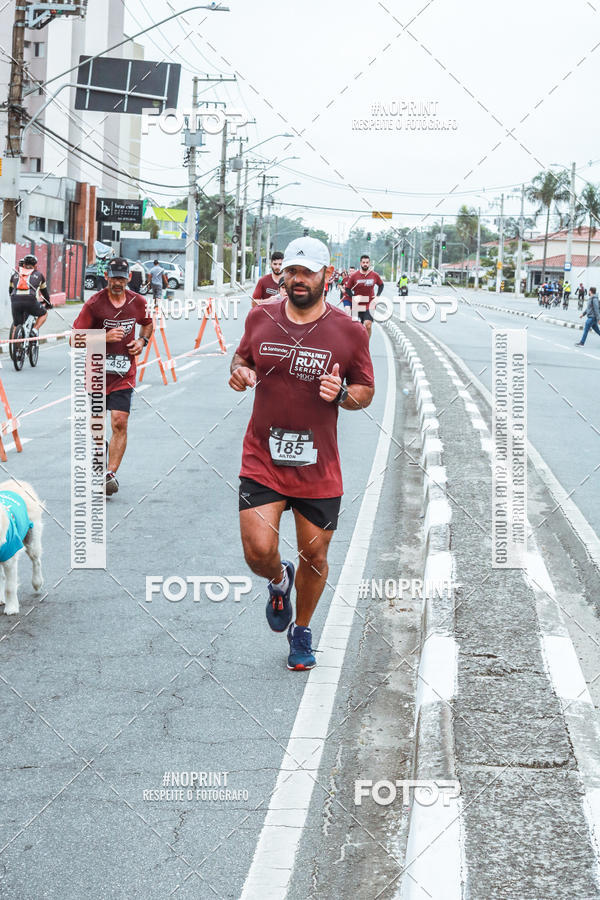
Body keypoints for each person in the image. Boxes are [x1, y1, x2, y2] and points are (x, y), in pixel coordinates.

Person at [229, 236, 375, 671]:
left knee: (315, 555)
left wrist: (343, 394)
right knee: (257, 550)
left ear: (326, 276)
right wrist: (239, 373)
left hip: (318, 465)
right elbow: (242, 360)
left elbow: (365, 391)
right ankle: (278, 579)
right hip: (263, 457)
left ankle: (303, 630)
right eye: (291, 271)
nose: (297, 279)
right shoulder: (261, 317)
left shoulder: (348, 331)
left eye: (307, 272)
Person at [72, 258, 153, 495]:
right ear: (106, 277)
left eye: (122, 278)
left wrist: (142, 341)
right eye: (114, 277)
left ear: (128, 278)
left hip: (123, 374)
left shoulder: (138, 302)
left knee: (119, 421)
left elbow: (148, 323)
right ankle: (101, 452)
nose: (118, 282)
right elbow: (73, 339)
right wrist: (103, 338)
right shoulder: (94, 304)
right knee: (97, 427)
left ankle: (109, 474)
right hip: (96, 373)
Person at [9, 254, 53, 335]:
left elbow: (10, 291)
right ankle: (34, 330)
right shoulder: (39, 275)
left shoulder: (14, 275)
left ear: (24, 265)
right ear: (36, 265)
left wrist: (14, 301)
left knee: (16, 326)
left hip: (15, 300)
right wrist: (48, 303)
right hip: (30, 300)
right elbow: (45, 293)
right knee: (44, 313)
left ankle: (13, 345)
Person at [344, 254, 384, 339]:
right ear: (360, 263)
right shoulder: (355, 275)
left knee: (368, 325)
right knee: (356, 326)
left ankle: (366, 343)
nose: (365, 264)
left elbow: (381, 285)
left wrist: (377, 296)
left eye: (367, 262)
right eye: (363, 262)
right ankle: (356, 342)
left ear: (369, 263)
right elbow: (347, 289)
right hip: (357, 304)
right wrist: (353, 297)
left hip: (370, 303)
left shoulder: (374, 275)